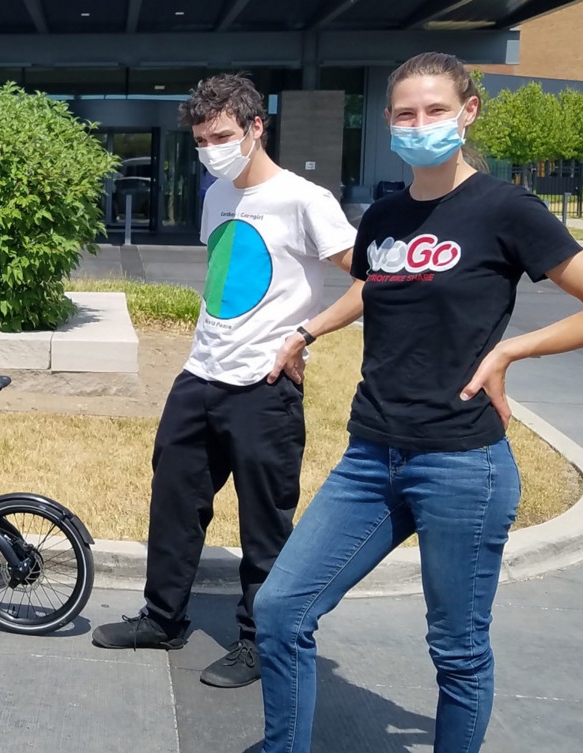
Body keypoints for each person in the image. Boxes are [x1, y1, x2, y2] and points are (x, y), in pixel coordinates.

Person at [254, 52, 583, 753]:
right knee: (281, 610)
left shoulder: (506, 209)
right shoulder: (384, 215)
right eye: (406, 114)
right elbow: (375, 283)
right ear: (388, 121)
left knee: (457, 649)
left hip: (463, 464)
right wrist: (307, 331)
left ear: (468, 112)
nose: (420, 124)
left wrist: (509, 352)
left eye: (435, 110)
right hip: (371, 455)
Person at [91, 73, 360, 691]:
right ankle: (162, 619)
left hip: (264, 385)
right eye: (201, 140)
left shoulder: (305, 200)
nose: (211, 150)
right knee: (174, 504)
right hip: (200, 375)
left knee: (264, 523)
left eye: (222, 136)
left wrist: (305, 334)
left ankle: (260, 641)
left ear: (256, 127)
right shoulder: (215, 194)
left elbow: (372, 280)